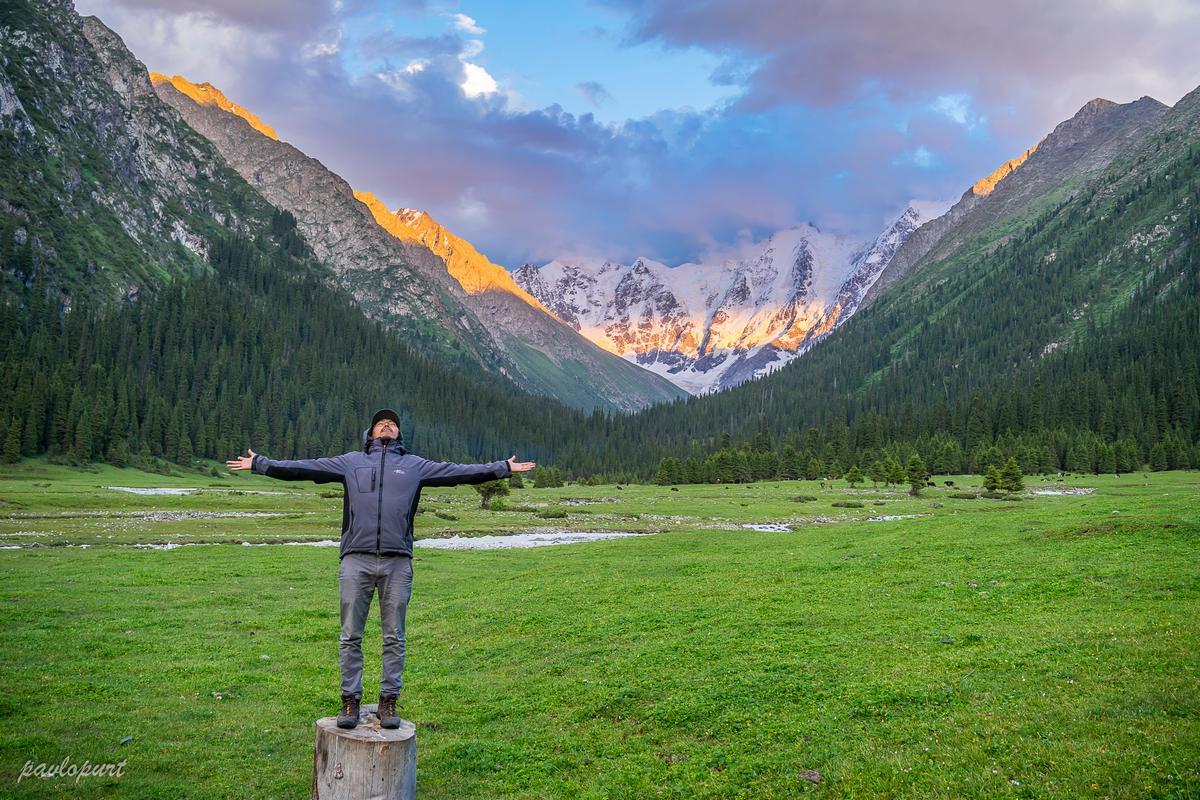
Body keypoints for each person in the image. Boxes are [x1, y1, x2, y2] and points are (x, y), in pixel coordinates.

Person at [226, 409, 535, 729]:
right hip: (355, 560)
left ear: (399, 434)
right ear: (371, 433)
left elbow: (460, 472)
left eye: (392, 423)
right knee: (349, 635)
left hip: (397, 561)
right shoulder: (350, 462)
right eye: (380, 423)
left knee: (394, 636)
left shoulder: (415, 466)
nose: (387, 425)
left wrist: (503, 468)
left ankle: (388, 702)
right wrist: (261, 463)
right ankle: (350, 701)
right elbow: (306, 467)